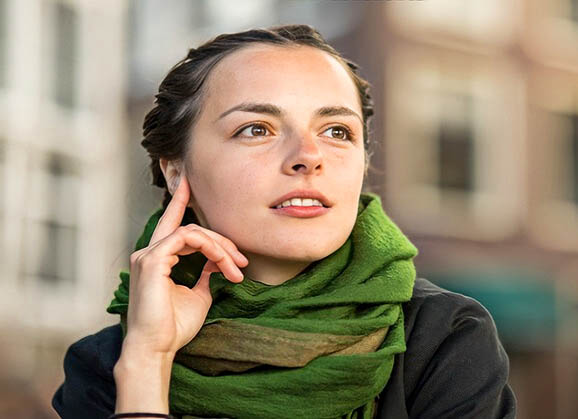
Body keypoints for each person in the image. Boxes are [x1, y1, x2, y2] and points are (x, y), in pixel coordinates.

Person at [51, 24, 516, 419]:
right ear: (176, 170)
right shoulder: (106, 367)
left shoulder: (444, 339)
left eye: (337, 131)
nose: (308, 157)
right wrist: (148, 363)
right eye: (256, 129)